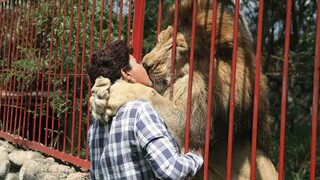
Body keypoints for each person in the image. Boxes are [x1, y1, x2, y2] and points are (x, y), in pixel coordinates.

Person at [87, 40, 203, 180]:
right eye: (137, 63)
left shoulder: (95, 125)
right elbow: (171, 170)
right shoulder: (139, 111)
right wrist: (196, 156)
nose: (144, 65)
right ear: (126, 74)